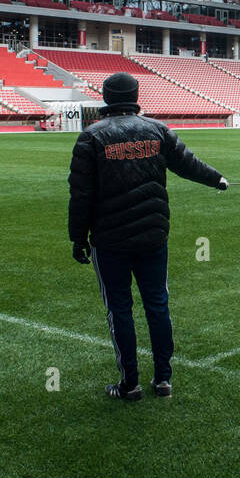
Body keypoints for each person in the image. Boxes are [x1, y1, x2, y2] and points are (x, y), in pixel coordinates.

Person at [68, 72, 227, 401]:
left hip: (109, 240)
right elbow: (188, 164)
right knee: (158, 304)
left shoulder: (91, 137)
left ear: (107, 98)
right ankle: (163, 379)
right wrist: (218, 180)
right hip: (153, 236)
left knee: (120, 309)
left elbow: (80, 194)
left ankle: (130, 384)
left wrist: (77, 237)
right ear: (135, 95)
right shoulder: (157, 130)